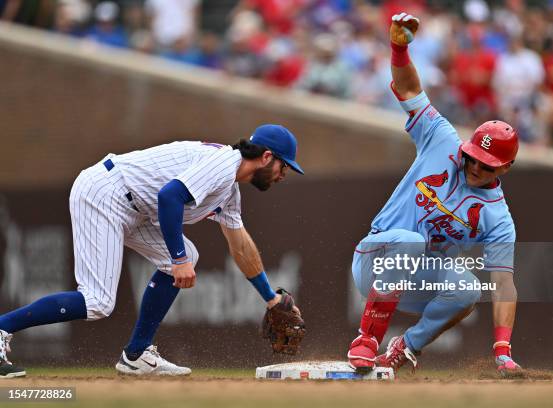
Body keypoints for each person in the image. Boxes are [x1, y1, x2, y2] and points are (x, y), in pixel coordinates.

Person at [0, 124, 304, 378]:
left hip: (134, 206)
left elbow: (240, 246)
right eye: (284, 166)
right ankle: (2, 328)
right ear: (266, 157)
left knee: (189, 254)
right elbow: (170, 196)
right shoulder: (224, 164)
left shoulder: (229, 189)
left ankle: (136, 354)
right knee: (97, 302)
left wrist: (270, 298)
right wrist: (178, 260)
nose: (283, 174)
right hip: (106, 192)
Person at [347, 13, 521, 375]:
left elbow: (503, 283)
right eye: (474, 157)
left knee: (468, 291)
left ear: (505, 168)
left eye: (487, 165)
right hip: (377, 257)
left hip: (417, 278)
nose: (475, 167)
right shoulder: (441, 139)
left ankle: (405, 347)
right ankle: (366, 338)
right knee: (409, 240)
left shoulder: (498, 217)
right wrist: (398, 48)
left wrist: (502, 348)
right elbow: (410, 90)